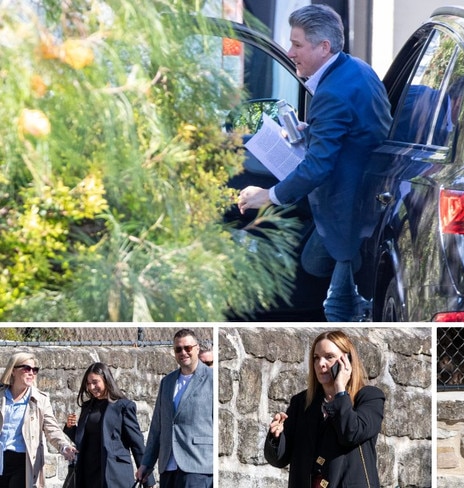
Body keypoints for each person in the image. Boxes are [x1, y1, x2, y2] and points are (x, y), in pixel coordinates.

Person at [237, 5, 392, 322]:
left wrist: (269, 195)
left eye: (297, 44)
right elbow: (357, 132)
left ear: (324, 47)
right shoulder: (358, 70)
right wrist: (313, 133)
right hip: (363, 198)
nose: (290, 52)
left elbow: (319, 167)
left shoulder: (332, 92)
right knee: (316, 266)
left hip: (347, 208)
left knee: (336, 302)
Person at [264, 330, 385, 487]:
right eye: (316, 358)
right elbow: (279, 459)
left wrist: (340, 390)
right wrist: (276, 437)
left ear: (347, 360)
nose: (321, 364)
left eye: (329, 357)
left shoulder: (370, 398)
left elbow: (351, 433)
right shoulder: (301, 403)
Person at [135, 329, 213, 488]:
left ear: (197, 348)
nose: (183, 352)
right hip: (168, 467)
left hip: (198, 465)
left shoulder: (212, 379)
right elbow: (157, 426)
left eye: (188, 348)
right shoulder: (167, 382)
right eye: (178, 349)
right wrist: (146, 463)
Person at [64, 362, 156, 488]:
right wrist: (70, 428)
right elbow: (86, 440)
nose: (91, 387)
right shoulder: (87, 407)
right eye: (88, 383)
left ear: (106, 380)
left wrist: (148, 480)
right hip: (88, 473)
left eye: (95, 382)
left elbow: (137, 443)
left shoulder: (123, 406)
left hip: (114, 474)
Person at [0, 352, 77, 488]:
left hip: (23, 461)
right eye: (26, 369)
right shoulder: (2, 396)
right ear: (13, 371)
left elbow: (51, 428)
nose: (31, 373)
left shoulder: (40, 399)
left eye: (34, 370)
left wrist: (64, 446)